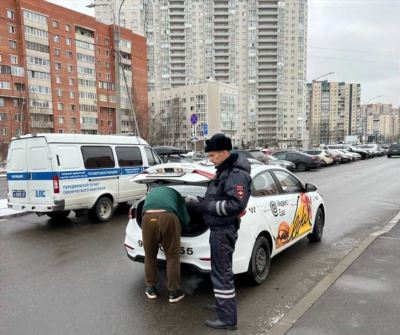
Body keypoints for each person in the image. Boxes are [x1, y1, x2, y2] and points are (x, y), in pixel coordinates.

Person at [189, 133, 251, 330]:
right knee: (219, 270)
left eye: (213, 155)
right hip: (218, 229)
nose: (210, 159)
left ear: (225, 152)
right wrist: (203, 203)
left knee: (222, 273)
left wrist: (207, 207)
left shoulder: (236, 174)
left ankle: (227, 319)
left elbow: (236, 204)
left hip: (224, 230)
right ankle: (221, 305)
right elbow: (217, 196)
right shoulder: (224, 170)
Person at [141, 186, 190, 303]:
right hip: (168, 217)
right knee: (172, 258)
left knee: (150, 256)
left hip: (147, 218)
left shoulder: (151, 193)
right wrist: (185, 227)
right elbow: (184, 217)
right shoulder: (176, 194)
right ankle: (174, 292)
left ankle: (150, 288)